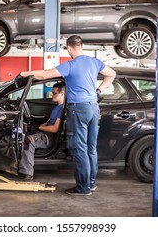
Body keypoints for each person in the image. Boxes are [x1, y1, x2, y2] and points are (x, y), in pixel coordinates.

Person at [20, 35, 116, 196]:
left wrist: (24, 73)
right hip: (94, 108)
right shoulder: (94, 62)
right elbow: (111, 74)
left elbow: (44, 75)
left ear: (69, 48)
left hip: (79, 109)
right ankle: (91, 184)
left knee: (80, 150)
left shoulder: (70, 65)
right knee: (91, 149)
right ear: (82, 46)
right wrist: (98, 90)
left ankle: (83, 188)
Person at [18, 81, 66, 181]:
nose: (52, 94)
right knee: (24, 135)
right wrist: (35, 126)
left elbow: (54, 128)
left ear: (63, 94)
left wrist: (39, 128)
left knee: (29, 140)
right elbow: (48, 122)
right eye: (52, 92)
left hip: (50, 137)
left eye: (54, 93)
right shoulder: (57, 107)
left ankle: (27, 173)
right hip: (45, 133)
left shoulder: (62, 109)